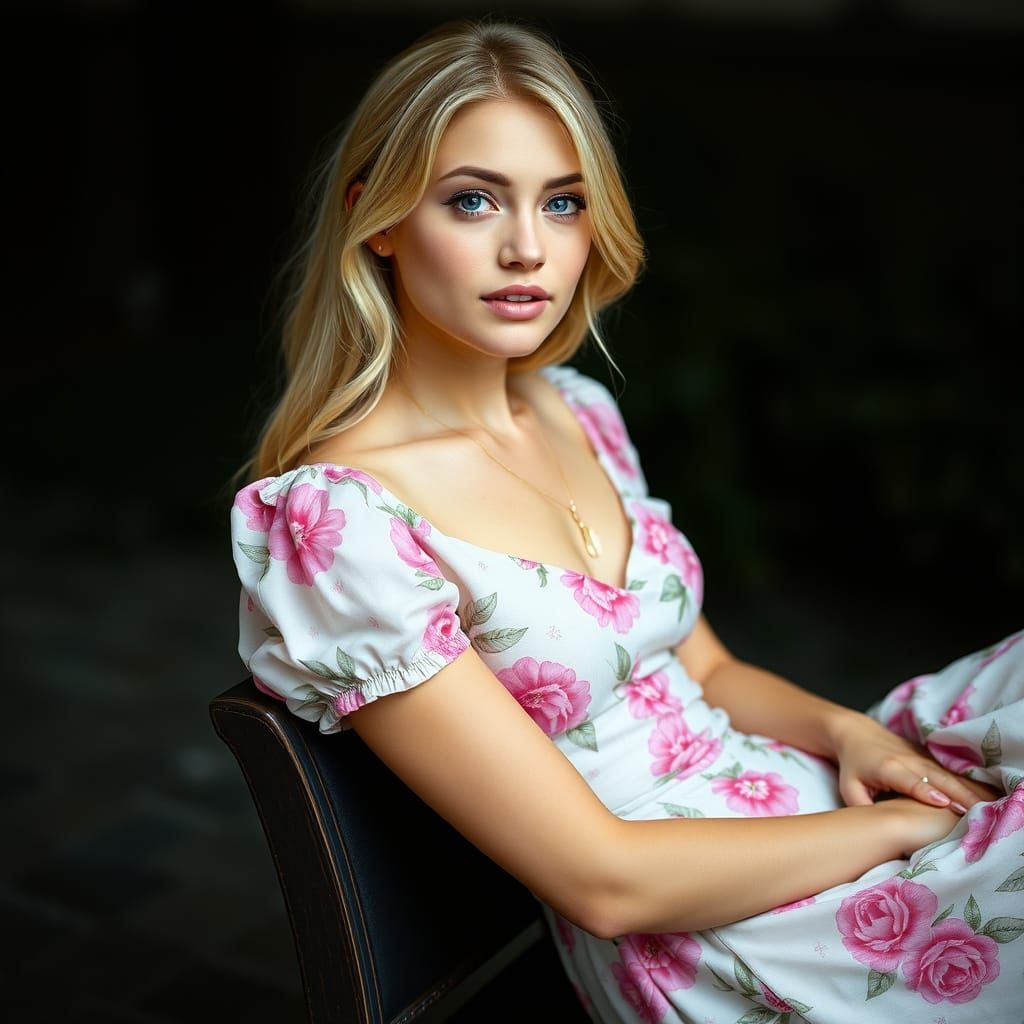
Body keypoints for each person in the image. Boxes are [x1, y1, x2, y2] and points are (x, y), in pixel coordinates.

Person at [229, 17, 1024, 1022]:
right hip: (714, 929)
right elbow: (603, 880)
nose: (526, 248)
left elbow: (715, 673)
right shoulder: (340, 522)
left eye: (560, 203)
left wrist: (850, 737)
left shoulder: (576, 410)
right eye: (472, 200)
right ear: (377, 220)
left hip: (789, 801)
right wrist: (908, 832)